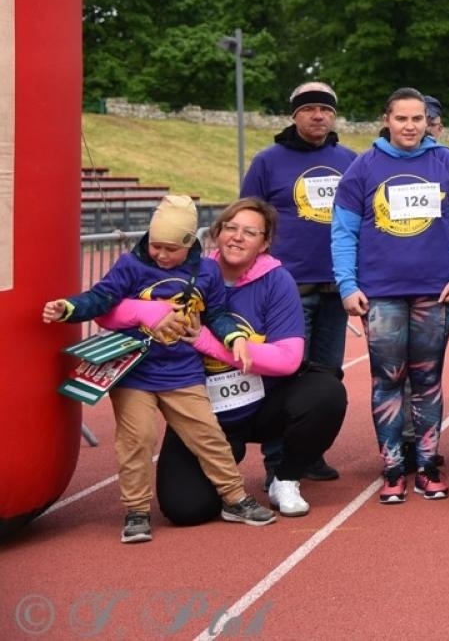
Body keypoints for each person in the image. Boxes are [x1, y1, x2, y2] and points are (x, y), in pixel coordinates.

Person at [41, 195, 276, 542]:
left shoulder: (207, 271)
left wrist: (235, 338)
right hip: (135, 372)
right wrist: (68, 308)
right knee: (136, 440)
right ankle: (136, 511)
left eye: (170, 249)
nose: (162, 256)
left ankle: (235, 498)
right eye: (155, 246)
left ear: (189, 244)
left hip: (183, 372)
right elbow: (101, 297)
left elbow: (217, 315)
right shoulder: (131, 265)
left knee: (209, 436)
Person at [114, 199, 347, 523]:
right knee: (186, 510)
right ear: (217, 233)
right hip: (201, 413)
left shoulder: (278, 281)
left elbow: (288, 360)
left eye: (250, 232)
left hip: (264, 403)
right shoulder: (185, 271)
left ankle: (286, 478)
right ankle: (224, 472)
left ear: (264, 243)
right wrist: (145, 310)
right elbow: (106, 306)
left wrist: (211, 344)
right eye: (231, 228)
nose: (238, 237)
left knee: (326, 391)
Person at [332, 87, 449, 504]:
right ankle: (394, 467)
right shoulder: (362, 168)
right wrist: (347, 285)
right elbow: (343, 231)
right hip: (380, 295)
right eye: (402, 119)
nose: (410, 126)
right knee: (387, 379)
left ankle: (429, 465)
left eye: (417, 119)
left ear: (427, 122)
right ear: (387, 120)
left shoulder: (447, 163)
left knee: (428, 379)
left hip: (436, 292)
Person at [240, 79, 356, 484]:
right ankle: (277, 460)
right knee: (285, 377)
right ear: (295, 114)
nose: (318, 115)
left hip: (337, 289)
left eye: (326, 109)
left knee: (327, 376)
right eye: (309, 109)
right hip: (287, 291)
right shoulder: (268, 161)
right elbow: (248, 216)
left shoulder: (350, 160)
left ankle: (310, 454)